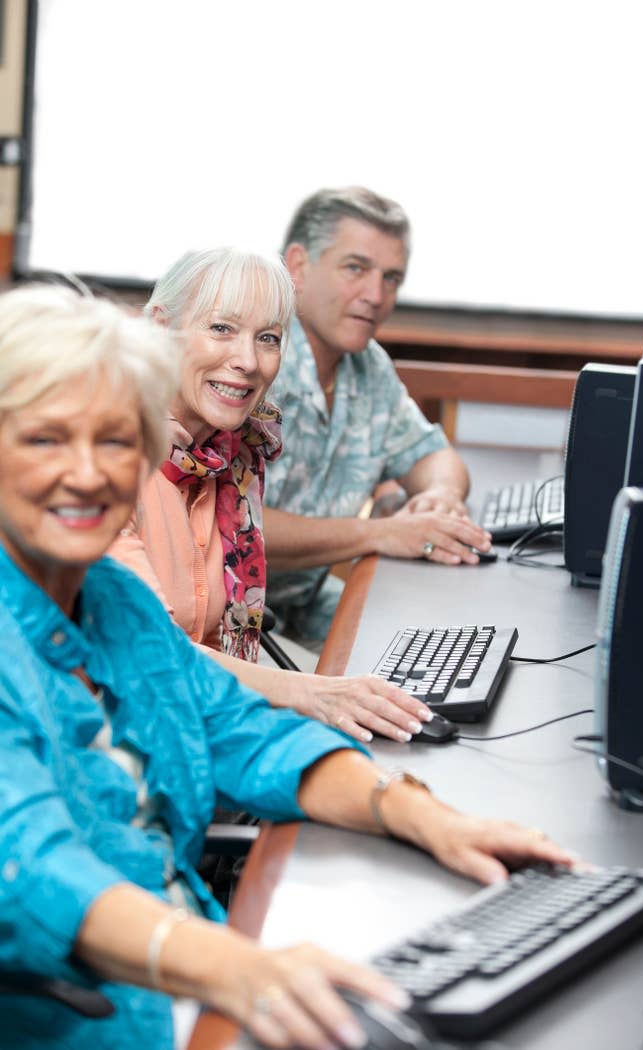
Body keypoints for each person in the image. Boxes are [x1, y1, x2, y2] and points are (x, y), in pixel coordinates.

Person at [0, 283, 573, 1050]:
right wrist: (239, 969)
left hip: (194, 981)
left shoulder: (114, 602)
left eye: (114, 440)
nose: (87, 472)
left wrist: (424, 815)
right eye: (45, 440)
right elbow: (28, 872)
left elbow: (249, 734)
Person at [109, 247, 433, 745]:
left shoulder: (229, 458)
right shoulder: (101, 460)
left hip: (207, 723)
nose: (247, 361)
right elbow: (154, 653)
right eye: (221, 329)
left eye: (268, 339)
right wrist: (312, 694)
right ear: (158, 327)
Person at [263, 186, 492, 645]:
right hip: (227, 619)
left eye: (391, 278)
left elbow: (433, 455)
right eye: (356, 268)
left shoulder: (369, 367)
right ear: (297, 265)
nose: (375, 295)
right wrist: (383, 533)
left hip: (299, 606)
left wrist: (440, 496)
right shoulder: (252, 358)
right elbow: (233, 527)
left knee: (442, 641)